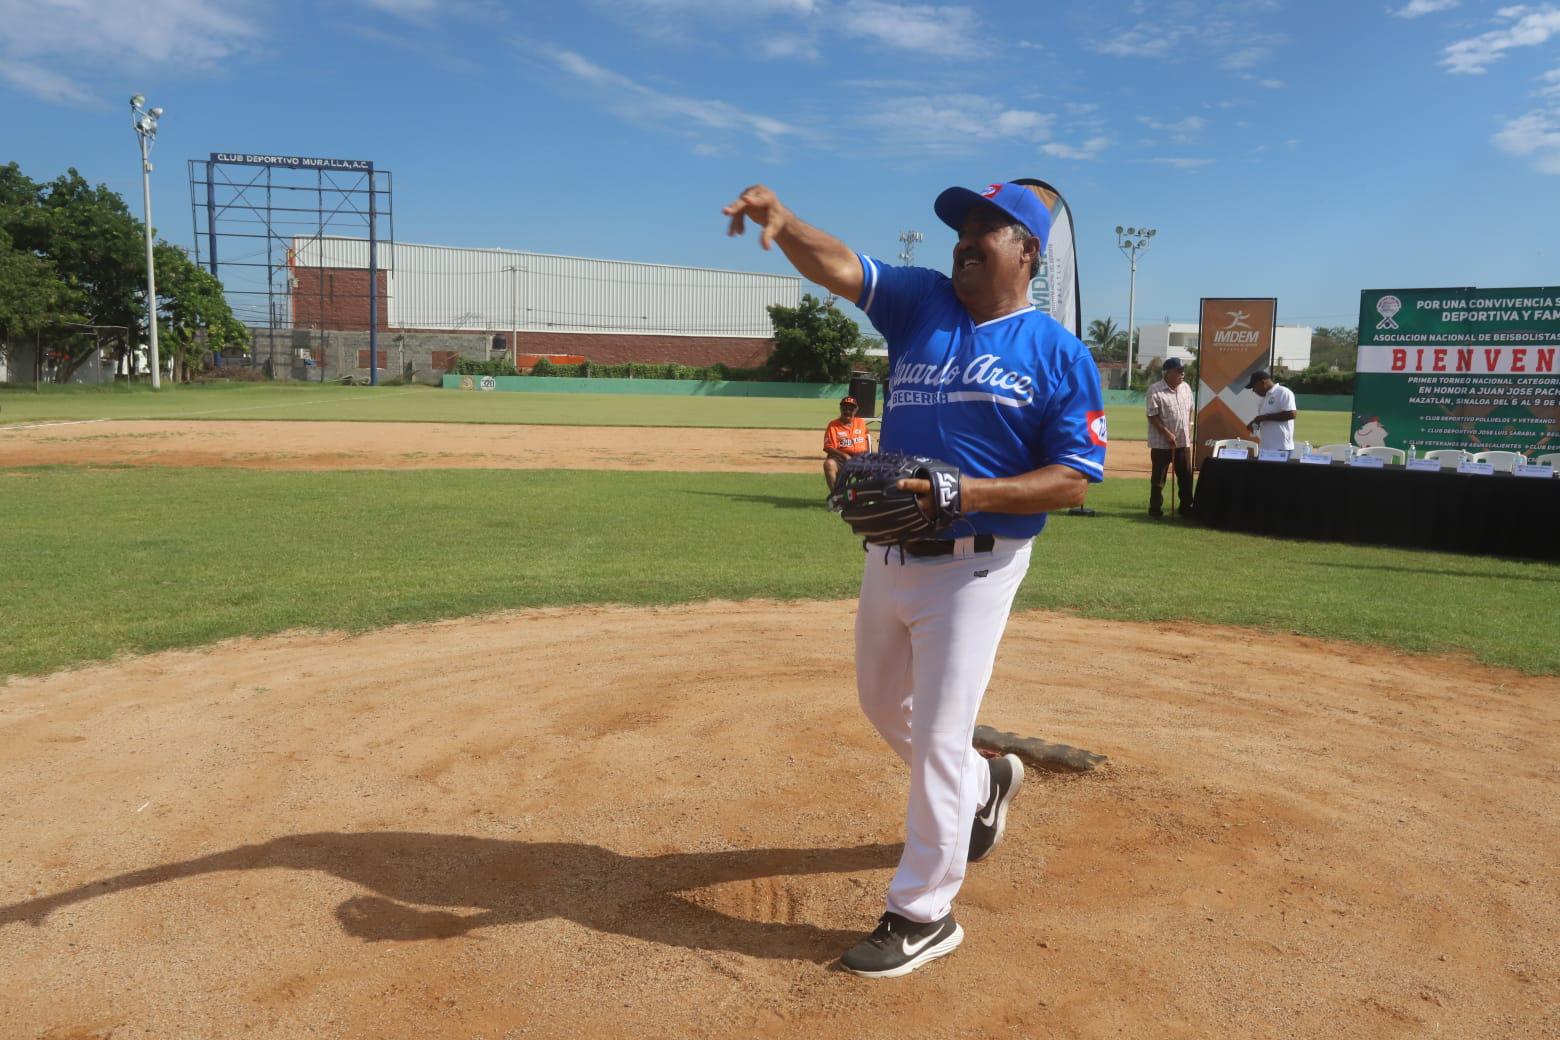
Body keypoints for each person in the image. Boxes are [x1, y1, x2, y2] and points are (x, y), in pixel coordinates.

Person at [723, 180, 1105, 978]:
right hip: (891, 550)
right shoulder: (921, 303)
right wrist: (788, 224)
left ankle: (923, 912)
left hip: (979, 564)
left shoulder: (1059, 354)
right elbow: (839, 268)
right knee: (878, 700)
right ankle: (986, 781)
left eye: (986, 230)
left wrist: (967, 493)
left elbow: (1073, 477)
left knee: (935, 733)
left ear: (1027, 253)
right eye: (961, 229)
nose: (965, 242)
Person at [1145, 357, 1194, 517]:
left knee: (1186, 477)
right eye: (1178, 371)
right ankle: (1155, 509)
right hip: (1161, 444)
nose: (1182, 374)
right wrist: (1166, 432)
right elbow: (1152, 415)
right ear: (1168, 373)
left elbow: (1190, 409)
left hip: (1183, 442)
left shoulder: (1186, 388)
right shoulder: (1155, 390)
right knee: (1158, 480)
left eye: (1182, 371)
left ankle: (1186, 508)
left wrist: (1187, 428)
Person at [823, 396, 872, 490]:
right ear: (840, 409)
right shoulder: (833, 425)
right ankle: (836, 497)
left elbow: (868, 440)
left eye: (851, 409)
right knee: (829, 464)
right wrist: (844, 455)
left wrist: (869, 457)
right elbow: (828, 447)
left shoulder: (861, 423)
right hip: (840, 460)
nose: (848, 411)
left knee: (873, 467)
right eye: (845, 408)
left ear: (856, 410)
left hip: (860, 458)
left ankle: (866, 497)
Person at [1246, 370, 1297, 452]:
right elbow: (1265, 419)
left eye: (1254, 386)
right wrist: (1256, 423)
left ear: (1262, 382)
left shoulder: (1283, 392)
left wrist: (1262, 418)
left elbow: (1292, 414)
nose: (1253, 390)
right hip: (1265, 447)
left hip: (1281, 448)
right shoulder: (1263, 399)